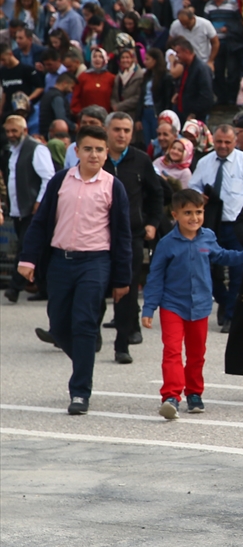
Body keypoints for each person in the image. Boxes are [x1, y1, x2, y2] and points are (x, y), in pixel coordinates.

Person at [17, 126, 133, 416]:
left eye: (99, 149)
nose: (94, 154)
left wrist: (122, 279)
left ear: (107, 153)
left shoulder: (112, 186)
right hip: (60, 261)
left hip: (95, 262)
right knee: (58, 325)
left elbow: (122, 236)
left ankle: (80, 391)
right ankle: (84, 358)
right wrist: (28, 259)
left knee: (83, 323)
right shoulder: (59, 181)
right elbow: (41, 222)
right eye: (88, 149)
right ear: (77, 151)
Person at [141, 189, 243, 419]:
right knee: (172, 351)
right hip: (172, 305)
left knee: (197, 354)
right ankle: (171, 396)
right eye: (188, 213)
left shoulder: (207, 236)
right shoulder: (167, 243)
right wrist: (149, 307)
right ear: (175, 214)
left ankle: (194, 393)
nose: (194, 218)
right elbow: (155, 276)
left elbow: (223, 256)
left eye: (198, 212)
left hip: (200, 306)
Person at [189, 124, 243, 332]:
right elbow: (192, 186)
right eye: (219, 142)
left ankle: (232, 315)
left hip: (237, 224)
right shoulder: (205, 162)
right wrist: (199, 197)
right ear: (213, 141)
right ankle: (223, 301)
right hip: (210, 224)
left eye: (227, 142)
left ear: (235, 141)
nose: (222, 146)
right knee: (208, 268)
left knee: (238, 271)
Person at [101, 111, 163, 365]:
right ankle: (91, 334)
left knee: (126, 290)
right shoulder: (96, 159)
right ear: (107, 131)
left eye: (126, 130)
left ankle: (123, 342)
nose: (122, 135)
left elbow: (156, 193)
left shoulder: (141, 160)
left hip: (132, 235)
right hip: (99, 236)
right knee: (97, 288)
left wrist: (152, 223)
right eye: (117, 130)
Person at [3, 116, 54, 304]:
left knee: (26, 246)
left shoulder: (37, 149)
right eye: (8, 131)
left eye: (14, 131)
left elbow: (48, 177)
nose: (10, 135)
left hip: (34, 208)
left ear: (24, 130)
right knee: (35, 249)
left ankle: (14, 288)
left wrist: (39, 202)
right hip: (17, 209)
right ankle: (44, 288)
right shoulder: (11, 151)